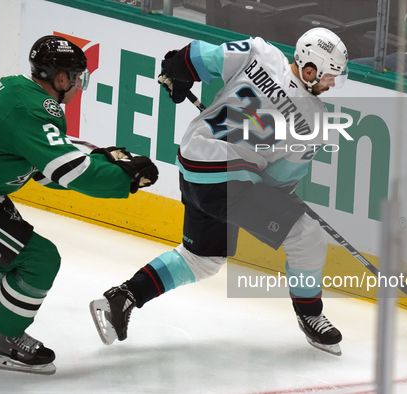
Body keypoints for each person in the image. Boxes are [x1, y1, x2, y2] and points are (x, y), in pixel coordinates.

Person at [90, 28, 349, 356]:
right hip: (227, 179)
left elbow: (190, 57)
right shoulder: (314, 120)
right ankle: (311, 315)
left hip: (194, 164)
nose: (331, 85)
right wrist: (269, 198)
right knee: (306, 236)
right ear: (310, 70)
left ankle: (124, 297)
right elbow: (278, 183)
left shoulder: (261, 51)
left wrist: (178, 74)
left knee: (203, 259)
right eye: (330, 77)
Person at [0, 35, 158, 374]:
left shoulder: (17, 89)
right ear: (60, 79)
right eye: (78, 78)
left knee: (8, 253)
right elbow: (69, 171)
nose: (78, 86)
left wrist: (97, 157)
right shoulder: (35, 109)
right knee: (38, 258)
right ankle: (7, 341)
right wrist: (123, 179)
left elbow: (40, 166)